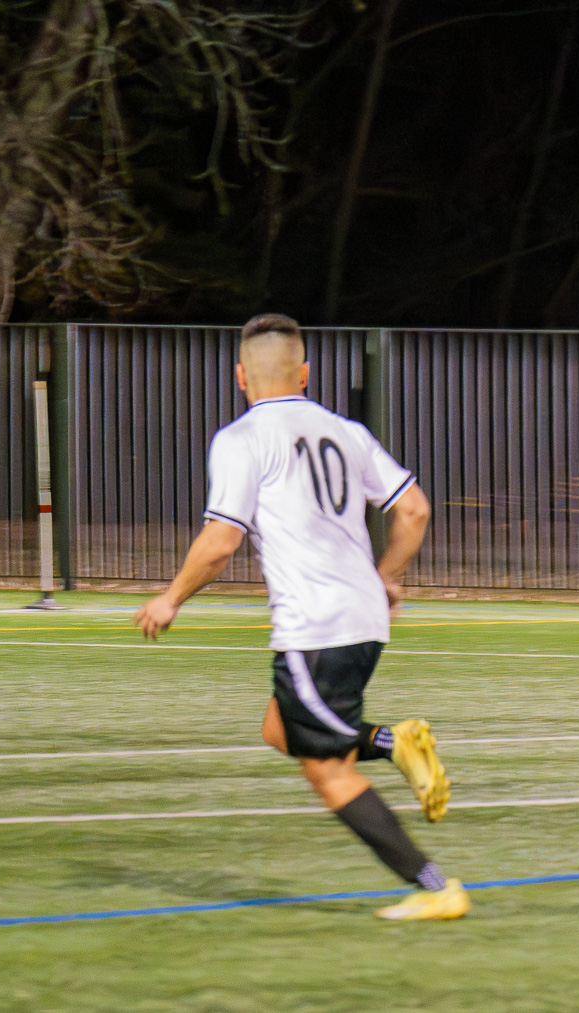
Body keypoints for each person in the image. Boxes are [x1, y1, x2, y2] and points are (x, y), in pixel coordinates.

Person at [133, 313, 468, 921]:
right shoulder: (347, 431)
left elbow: (221, 541)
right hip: (362, 617)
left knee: (327, 771)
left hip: (317, 624)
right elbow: (414, 510)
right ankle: (394, 741)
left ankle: (434, 886)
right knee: (278, 729)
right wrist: (386, 576)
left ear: (240, 376)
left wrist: (171, 597)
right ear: (305, 373)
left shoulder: (241, 439)